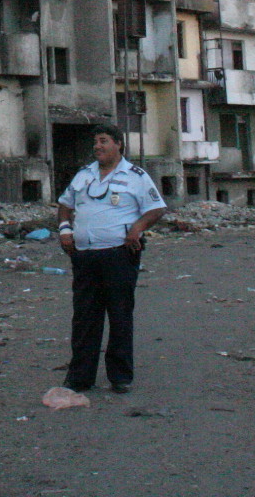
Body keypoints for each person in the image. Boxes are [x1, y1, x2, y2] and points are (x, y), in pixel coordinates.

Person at [57, 125, 166, 394]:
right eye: (95, 142)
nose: (97, 146)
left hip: (119, 254)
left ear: (119, 144)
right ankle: (80, 377)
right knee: (84, 318)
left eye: (103, 141)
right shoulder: (84, 175)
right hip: (84, 256)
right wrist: (64, 230)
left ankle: (120, 376)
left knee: (119, 315)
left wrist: (137, 229)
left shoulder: (136, 176)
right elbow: (64, 205)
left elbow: (156, 208)